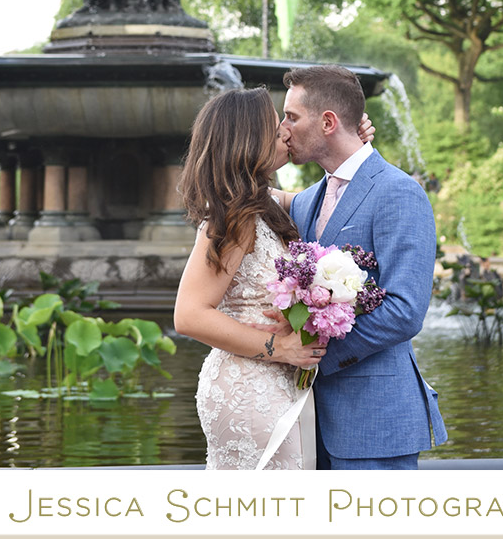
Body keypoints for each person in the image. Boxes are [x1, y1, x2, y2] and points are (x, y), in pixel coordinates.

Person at [277, 64, 446, 470]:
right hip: (305, 428)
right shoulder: (304, 202)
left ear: (328, 122)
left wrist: (316, 356)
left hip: (376, 422)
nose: (283, 128)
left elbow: (404, 312)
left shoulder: (400, 192)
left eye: (291, 117)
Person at [173, 87, 327, 469]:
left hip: (272, 384)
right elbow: (189, 314)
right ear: (250, 142)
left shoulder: (266, 203)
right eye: (277, 132)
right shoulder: (236, 216)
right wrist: (280, 348)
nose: (287, 136)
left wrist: (352, 142)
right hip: (249, 386)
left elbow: (334, 195)